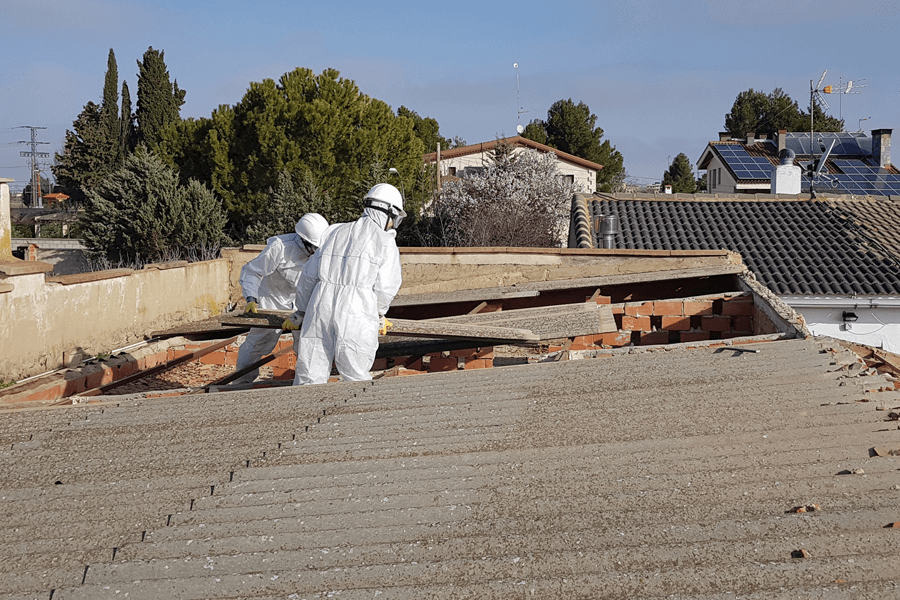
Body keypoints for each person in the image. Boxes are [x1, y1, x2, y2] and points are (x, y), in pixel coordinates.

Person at [290, 183, 405, 385]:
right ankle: (354, 416)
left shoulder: (334, 231)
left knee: (310, 372)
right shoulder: (385, 241)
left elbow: (308, 277)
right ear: (388, 212)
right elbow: (387, 285)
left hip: (320, 304)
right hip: (357, 311)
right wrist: (379, 312)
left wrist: (301, 310)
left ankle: (302, 415)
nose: (393, 224)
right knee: (355, 375)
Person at [234, 213, 329, 384]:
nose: (316, 252)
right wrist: (251, 298)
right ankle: (240, 384)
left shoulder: (321, 251)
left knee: (307, 344)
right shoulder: (280, 247)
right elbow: (252, 271)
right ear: (303, 240)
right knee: (257, 343)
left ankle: (306, 385)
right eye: (313, 247)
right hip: (273, 298)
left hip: (302, 302)